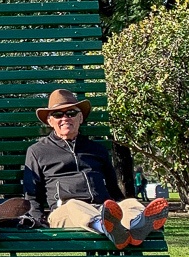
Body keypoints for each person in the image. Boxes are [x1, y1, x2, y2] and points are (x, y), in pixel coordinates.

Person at [22, 88, 169, 248]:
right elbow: (32, 194)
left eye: (71, 113)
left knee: (131, 203)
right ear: (50, 122)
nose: (65, 118)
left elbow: (113, 189)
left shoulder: (96, 149)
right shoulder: (37, 151)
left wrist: (122, 205)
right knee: (73, 205)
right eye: (58, 115)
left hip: (104, 208)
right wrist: (38, 219)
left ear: (80, 118)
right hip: (65, 211)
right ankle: (107, 227)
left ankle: (136, 226)